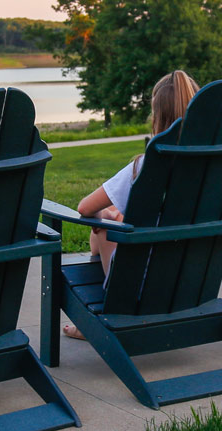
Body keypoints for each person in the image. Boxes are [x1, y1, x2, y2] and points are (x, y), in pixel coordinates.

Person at [62, 70, 198, 340]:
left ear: (157, 117)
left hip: (139, 287)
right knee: (112, 223)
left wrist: (107, 215)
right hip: (191, 282)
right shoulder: (213, 171)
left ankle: (99, 320)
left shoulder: (144, 166)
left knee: (102, 225)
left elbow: (84, 208)